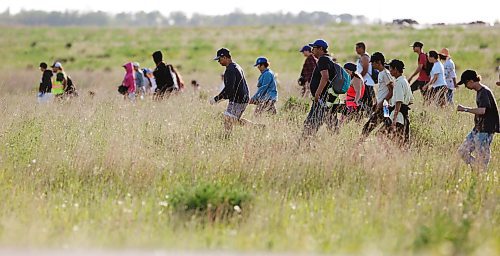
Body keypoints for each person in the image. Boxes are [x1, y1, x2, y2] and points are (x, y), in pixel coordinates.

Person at [456, 70, 499, 170]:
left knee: (482, 157)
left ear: (471, 81)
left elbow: (482, 111)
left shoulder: (484, 92)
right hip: (478, 129)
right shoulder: (480, 92)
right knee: (462, 151)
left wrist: (465, 109)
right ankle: (478, 167)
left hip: (485, 130)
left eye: (465, 83)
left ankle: (480, 172)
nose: (466, 87)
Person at [210, 48, 256, 134]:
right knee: (230, 119)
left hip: (238, 100)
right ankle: (256, 127)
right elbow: (230, 89)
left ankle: (227, 137)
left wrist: (216, 99)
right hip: (240, 99)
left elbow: (229, 89)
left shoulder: (230, 70)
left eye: (219, 59)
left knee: (228, 118)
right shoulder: (236, 66)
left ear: (224, 57)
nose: (218, 62)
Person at [302, 39, 338, 137]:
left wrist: (317, 93)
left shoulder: (323, 59)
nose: (312, 50)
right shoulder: (328, 59)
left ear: (321, 49)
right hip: (327, 99)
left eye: (314, 48)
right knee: (331, 125)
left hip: (322, 98)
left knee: (309, 125)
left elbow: (325, 77)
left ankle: (304, 145)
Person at [362, 52, 394, 136]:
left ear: (378, 62)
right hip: (383, 105)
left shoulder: (385, 74)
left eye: (373, 63)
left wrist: (382, 102)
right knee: (386, 124)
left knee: (367, 128)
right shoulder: (381, 73)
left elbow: (392, 90)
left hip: (385, 106)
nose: (371, 65)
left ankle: (357, 145)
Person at [386, 59, 414, 145]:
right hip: (403, 116)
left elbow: (398, 102)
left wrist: (394, 119)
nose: (389, 71)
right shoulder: (405, 81)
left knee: (383, 137)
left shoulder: (398, 83)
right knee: (401, 141)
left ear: (395, 69)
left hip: (398, 117)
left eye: (390, 69)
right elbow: (410, 100)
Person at [355, 42, 376, 112]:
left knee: (368, 101)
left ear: (361, 48)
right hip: (365, 82)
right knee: (365, 101)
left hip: (366, 82)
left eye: (357, 48)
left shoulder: (364, 57)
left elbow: (365, 70)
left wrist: (358, 78)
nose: (356, 50)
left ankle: (370, 114)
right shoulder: (363, 57)